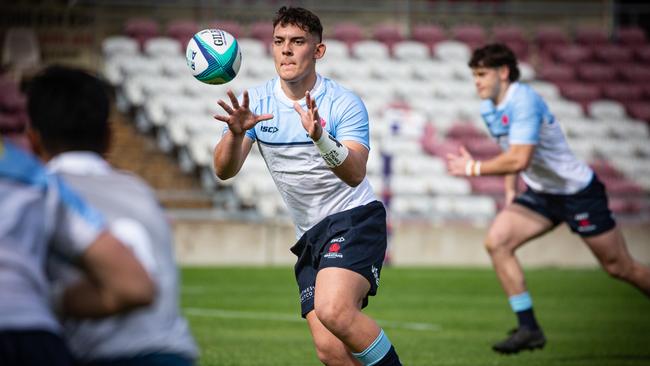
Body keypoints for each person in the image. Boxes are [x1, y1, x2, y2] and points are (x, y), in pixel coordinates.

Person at [213, 6, 402, 366]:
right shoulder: (256, 103)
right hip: (310, 235)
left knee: (334, 310)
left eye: (297, 42)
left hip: (355, 219)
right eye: (279, 41)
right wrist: (236, 135)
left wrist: (320, 137)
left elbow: (355, 173)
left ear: (318, 51)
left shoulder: (343, 102)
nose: (286, 50)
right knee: (330, 351)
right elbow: (224, 170)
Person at [446, 43, 650, 354]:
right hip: (542, 193)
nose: (477, 81)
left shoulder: (524, 101)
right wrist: (512, 190)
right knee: (497, 242)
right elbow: (510, 152)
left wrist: (472, 168)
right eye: (474, 75)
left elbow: (519, 158)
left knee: (619, 267)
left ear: (503, 72)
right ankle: (529, 328)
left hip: (577, 193)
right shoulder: (489, 107)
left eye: (483, 74)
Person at [26, 65, 199, 366]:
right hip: (175, 353)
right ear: (108, 137)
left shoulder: (41, 195)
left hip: (105, 356)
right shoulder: (140, 190)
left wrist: (52, 301)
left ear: (33, 139)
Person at [0, 135, 155, 366]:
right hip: (33, 335)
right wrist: (53, 301)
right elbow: (133, 286)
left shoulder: (38, 177)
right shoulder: (32, 176)